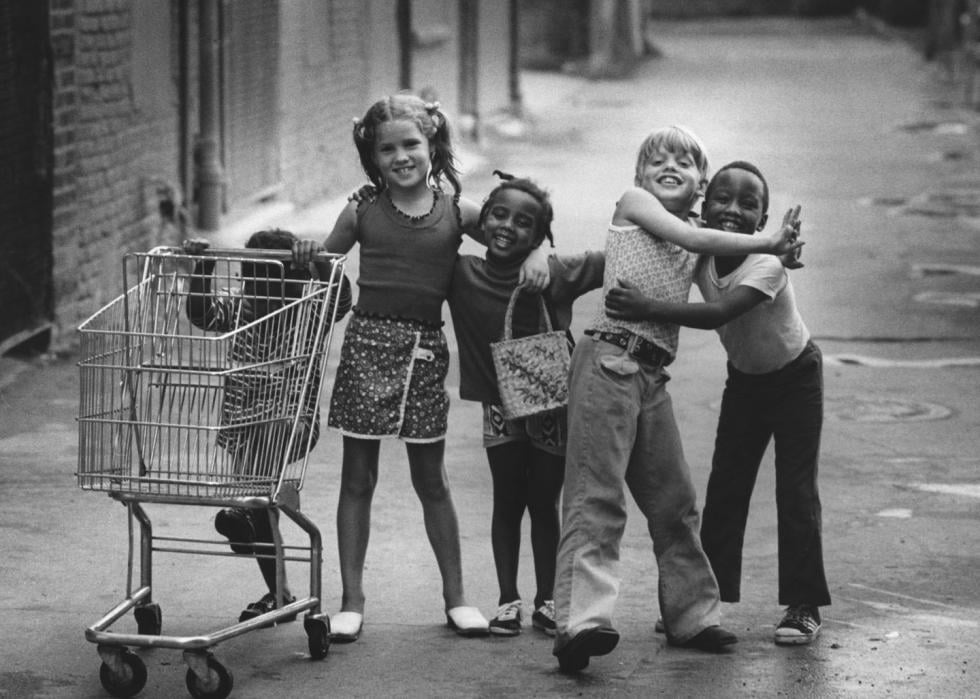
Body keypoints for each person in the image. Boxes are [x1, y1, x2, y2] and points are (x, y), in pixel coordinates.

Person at [292, 94, 549, 642]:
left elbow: (511, 237)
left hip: (426, 356)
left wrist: (536, 257)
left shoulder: (460, 211)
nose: (401, 156)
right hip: (366, 350)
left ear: (433, 144)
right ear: (373, 157)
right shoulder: (359, 211)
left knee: (432, 480)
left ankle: (456, 597)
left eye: (411, 144)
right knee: (357, 479)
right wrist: (308, 256)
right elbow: (323, 272)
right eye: (388, 148)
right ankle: (352, 601)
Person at [551, 125, 803, 673]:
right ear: (639, 176)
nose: (670, 165)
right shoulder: (636, 203)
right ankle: (581, 623)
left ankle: (692, 617)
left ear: (700, 189)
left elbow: (718, 255)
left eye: (685, 163)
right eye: (657, 159)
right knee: (597, 498)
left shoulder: (694, 232)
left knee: (675, 503)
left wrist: (782, 254)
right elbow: (694, 242)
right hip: (608, 362)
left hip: (650, 376)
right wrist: (768, 239)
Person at [605, 160, 829, 645]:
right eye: (722, 200)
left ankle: (803, 605)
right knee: (727, 487)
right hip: (745, 380)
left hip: (796, 377)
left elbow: (716, 313)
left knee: (794, 490)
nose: (732, 210)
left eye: (749, 205)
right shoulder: (701, 253)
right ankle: (700, 603)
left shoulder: (766, 265)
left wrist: (647, 307)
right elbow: (653, 251)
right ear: (704, 207)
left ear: (763, 222)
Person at [447, 172, 604, 637]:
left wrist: (542, 253)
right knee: (507, 500)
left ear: (540, 235)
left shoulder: (552, 274)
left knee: (543, 501)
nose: (508, 227)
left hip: (551, 408)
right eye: (499, 215)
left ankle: (549, 598)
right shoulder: (461, 273)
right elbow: (448, 212)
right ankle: (507, 599)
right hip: (499, 407)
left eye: (524, 224)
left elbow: (609, 258)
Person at [183, 229, 352, 623]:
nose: (262, 289)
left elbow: (341, 298)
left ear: (295, 280)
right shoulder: (240, 307)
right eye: (252, 276)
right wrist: (204, 264)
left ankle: (242, 507)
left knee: (256, 485)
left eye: (274, 278)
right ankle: (280, 594)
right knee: (261, 506)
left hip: (291, 422)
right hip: (242, 423)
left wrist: (321, 259)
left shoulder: (309, 309)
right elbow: (202, 314)